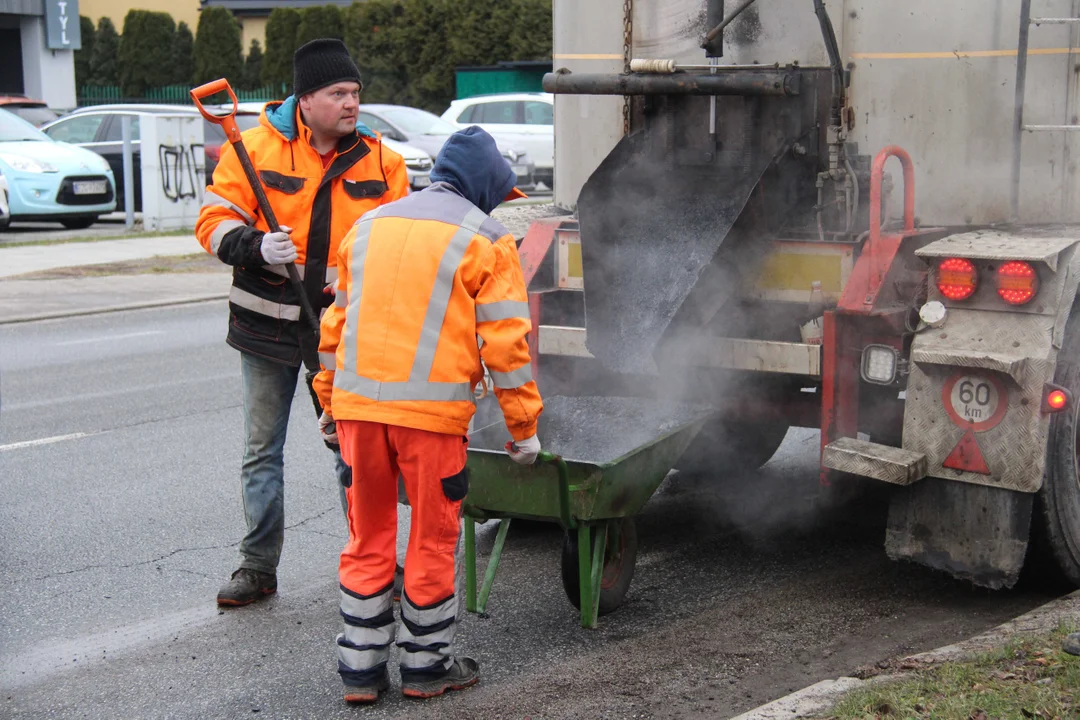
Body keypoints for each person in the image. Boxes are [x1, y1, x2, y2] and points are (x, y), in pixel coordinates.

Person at [313, 126, 544, 703]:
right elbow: (508, 347)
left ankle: (360, 674)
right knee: (432, 541)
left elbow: (335, 327)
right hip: (432, 421)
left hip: (358, 414)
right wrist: (523, 428)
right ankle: (425, 666)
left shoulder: (368, 227)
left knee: (367, 537)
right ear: (487, 185)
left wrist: (328, 400)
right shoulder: (487, 240)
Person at [195, 38, 410, 607]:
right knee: (262, 450)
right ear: (306, 99)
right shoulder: (255, 149)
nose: (351, 104)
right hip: (264, 326)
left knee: (353, 449)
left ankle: (375, 563)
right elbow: (213, 221)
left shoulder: (381, 162)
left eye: (356, 93)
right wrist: (254, 245)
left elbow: (401, 239)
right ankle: (257, 567)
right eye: (338, 93)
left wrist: (360, 278)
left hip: (339, 332)